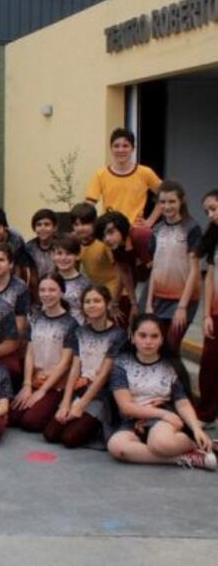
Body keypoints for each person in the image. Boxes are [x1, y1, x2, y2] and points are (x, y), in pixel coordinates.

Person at [107, 314, 215, 470]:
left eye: (154, 336)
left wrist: (196, 428)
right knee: (117, 447)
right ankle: (188, 457)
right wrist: (160, 414)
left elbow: (182, 402)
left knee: (160, 443)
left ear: (162, 339)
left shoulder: (170, 365)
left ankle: (194, 443)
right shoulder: (122, 363)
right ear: (132, 337)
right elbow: (126, 406)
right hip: (135, 418)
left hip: (165, 419)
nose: (148, 341)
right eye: (142, 336)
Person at [45, 285, 126, 448]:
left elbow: (103, 375)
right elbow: (75, 369)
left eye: (97, 301)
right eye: (87, 302)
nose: (92, 305)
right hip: (80, 388)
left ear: (108, 304)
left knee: (70, 439)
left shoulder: (118, 335)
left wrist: (81, 406)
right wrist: (67, 403)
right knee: (51, 434)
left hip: (101, 394)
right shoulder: (80, 332)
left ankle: (98, 425)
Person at [145, 179, 201, 394]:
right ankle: (161, 392)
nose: (167, 206)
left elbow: (195, 271)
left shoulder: (192, 227)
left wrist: (182, 307)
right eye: (163, 202)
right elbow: (155, 268)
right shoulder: (157, 229)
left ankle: (183, 395)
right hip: (158, 298)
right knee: (159, 348)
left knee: (171, 348)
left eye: (172, 201)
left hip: (183, 300)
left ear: (181, 201)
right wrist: (149, 304)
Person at [10, 274, 76, 432]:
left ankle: (57, 405)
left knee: (30, 422)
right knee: (12, 418)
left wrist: (42, 391)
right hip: (35, 379)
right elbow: (30, 353)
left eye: (52, 290)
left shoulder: (71, 324)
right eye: (43, 290)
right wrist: (27, 385)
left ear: (62, 292)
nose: (47, 294)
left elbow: (65, 363)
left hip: (55, 383)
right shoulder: (35, 319)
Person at [84, 127, 162, 229]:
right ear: (111, 148)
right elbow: (89, 205)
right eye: (116, 146)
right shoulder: (100, 175)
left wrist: (150, 221)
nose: (121, 150)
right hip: (110, 229)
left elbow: (165, 195)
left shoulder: (145, 173)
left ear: (133, 148)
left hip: (136, 230)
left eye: (125, 146)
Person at [94, 211, 150, 327]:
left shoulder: (140, 236)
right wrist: (132, 303)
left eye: (111, 232)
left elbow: (158, 271)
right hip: (149, 279)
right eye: (103, 236)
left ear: (122, 227)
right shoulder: (117, 246)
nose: (107, 239)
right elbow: (124, 272)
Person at [197, 189, 218, 425]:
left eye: (214, 208)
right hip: (216, 311)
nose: (211, 215)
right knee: (209, 365)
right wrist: (206, 316)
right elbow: (210, 277)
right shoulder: (214, 238)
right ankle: (206, 412)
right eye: (207, 211)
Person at [72, 203, 118, 298]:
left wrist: (115, 301)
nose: (80, 228)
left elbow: (121, 272)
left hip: (117, 293)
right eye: (76, 224)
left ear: (94, 223)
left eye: (84, 224)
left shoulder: (104, 242)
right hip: (97, 293)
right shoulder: (76, 243)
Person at [0, 243, 30, 338]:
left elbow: (20, 322)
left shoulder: (20, 287)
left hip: (10, 338)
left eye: (1, 260)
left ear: (11, 264)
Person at [52, 235, 89, 324]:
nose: (63, 258)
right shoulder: (48, 281)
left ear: (77, 256)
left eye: (68, 254)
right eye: (59, 253)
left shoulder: (86, 284)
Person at [24, 208, 59, 281]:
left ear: (55, 228)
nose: (42, 228)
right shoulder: (28, 249)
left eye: (47, 224)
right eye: (39, 225)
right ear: (34, 228)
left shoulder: (61, 246)